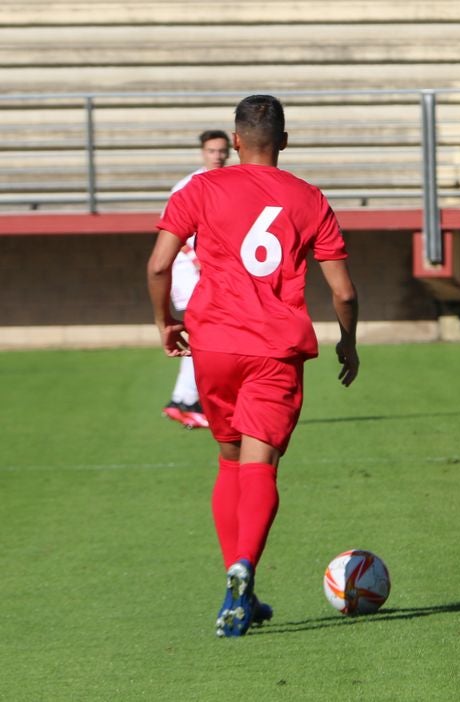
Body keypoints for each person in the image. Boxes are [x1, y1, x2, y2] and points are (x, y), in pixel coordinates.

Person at [147, 95, 361, 638]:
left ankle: (236, 588)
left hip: (214, 344)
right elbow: (344, 292)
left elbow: (158, 264)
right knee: (260, 463)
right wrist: (348, 342)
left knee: (228, 460)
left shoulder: (199, 188)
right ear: (285, 142)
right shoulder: (309, 198)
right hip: (275, 348)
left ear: (235, 141)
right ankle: (244, 567)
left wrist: (165, 324)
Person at [161, 129, 231, 429]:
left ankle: (191, 400)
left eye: (221, 150)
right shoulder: (188, 185)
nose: (217, 155)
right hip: (190, 274)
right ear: (203, 152)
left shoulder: (230, 181)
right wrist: (197, 259)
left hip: (212, 273)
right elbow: (175, 231)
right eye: (211, 150)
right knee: (202, 337)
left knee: (208, 337)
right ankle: (184, 401)